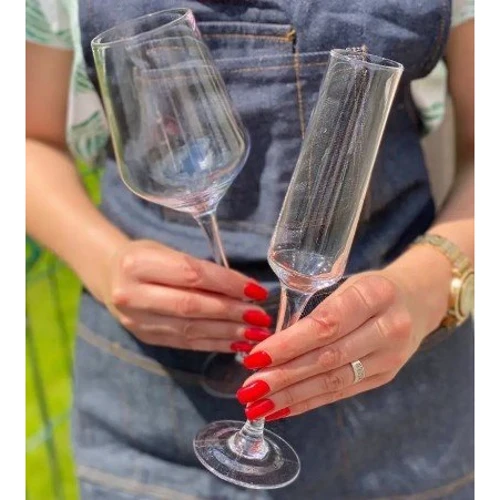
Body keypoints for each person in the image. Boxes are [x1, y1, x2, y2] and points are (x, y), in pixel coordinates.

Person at [26, 0, 474, 498]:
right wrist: (105, 261)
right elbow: (25, 139)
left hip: (403, 418)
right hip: (151, 408)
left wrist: (431, 283)